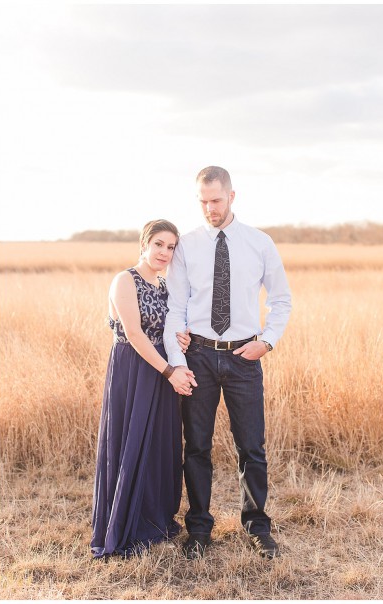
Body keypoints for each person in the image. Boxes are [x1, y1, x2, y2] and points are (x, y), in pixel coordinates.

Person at [163, 166, 292, 559]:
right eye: (202, 201)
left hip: (243, 358)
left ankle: (257, 526)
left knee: (251, 446)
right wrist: (176, 358)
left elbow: (282, 299)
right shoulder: (186, 245)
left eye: (215, 200)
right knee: (197, 447)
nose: (209, 208)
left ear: (232, 196)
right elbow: (175, 306)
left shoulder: (260, 243)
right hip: (198, 356)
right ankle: (199, 529)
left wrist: (266, 343)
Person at [91, 219, 196, 558]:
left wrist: (181, 338)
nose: (165, 252)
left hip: (161, 372)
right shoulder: (125, 280)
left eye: (171, 247)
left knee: (158, 444)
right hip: (134, 371)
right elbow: (134, 334)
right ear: (144, 244)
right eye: (159, 244)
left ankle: (153, 519)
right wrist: (169, 371)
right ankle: (126, 524)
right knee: (131, 441)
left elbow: (169, 329)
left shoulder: (165, 286)